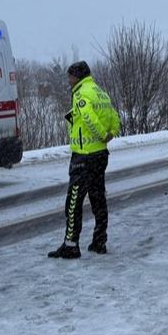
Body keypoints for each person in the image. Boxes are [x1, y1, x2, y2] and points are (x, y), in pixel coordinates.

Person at [48, 61, 120, 259]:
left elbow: (88, 116)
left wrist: (101, 134)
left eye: (70, 77)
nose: (68, 80)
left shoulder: (81, 93)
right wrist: (110, 134)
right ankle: (99, 241)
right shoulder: (99, 91)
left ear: (78, 77)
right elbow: (114, 116)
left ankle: (71, 245)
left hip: (84, 155)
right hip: (100, 155)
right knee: (98, 198)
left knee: (73, 201)